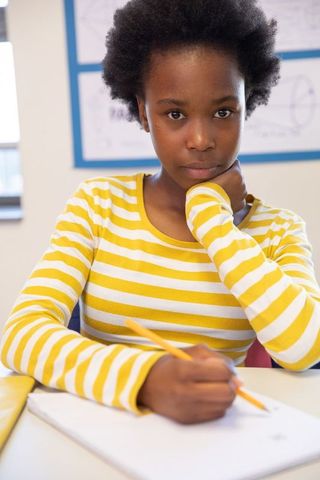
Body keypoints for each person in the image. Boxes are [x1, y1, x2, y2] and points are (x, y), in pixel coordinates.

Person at [1, 0, 320, 425]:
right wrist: (145, 378)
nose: (201, 139)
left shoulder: (279, 230)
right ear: (142, 112)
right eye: (175, 114)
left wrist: (211, 219)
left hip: (218, 439)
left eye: (223, 112)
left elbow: (303, 350)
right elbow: (21, 336)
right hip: (101, 432)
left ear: (249, 104)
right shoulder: (98, 206)